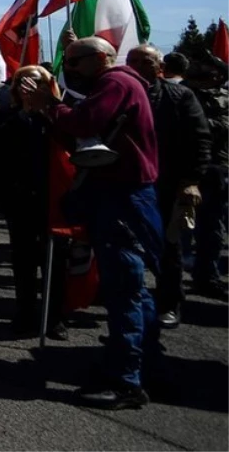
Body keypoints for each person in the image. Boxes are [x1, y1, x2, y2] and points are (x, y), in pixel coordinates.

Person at [22, 37, 162, 409]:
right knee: (131, 289)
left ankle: (126, 381)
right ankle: (142, 362)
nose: (69, 69)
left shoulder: (115, 83)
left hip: (122, 196)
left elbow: (85, 123)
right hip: (124, 194)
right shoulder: (121, 84)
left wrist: (51, 106)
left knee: (124, 288)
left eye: (74, 62)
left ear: (100, 58)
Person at [126, 45, 210, 329]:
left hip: (166, 184)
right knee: (124, 245)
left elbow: (199, 141)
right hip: (125, 184)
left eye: (144, 61)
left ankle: (169, 303)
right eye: (132, 60)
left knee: (167, 247)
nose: (137, 65)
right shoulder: (116, 92)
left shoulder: (179, 96)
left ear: (160, 66)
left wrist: (191, 181)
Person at [0, 65, 67, 339]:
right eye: (23, 81)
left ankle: (54, 318)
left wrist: (45, 110)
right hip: (20, 198)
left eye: (35, 81)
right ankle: (24, 313)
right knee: (23, 260)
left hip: (53, 198)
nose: (28, 86)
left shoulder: (58, 115)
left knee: (54, 261)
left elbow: (71, 140)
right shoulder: (7, 116)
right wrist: (25, 112)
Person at [184, 57, 229, 298]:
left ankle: (207, 276)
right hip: (182, 166)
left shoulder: (224, 98)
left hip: (215, 167)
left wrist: (193, 121)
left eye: (210, 74)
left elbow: (222, 126)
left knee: (212, 227)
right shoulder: (182, 93)